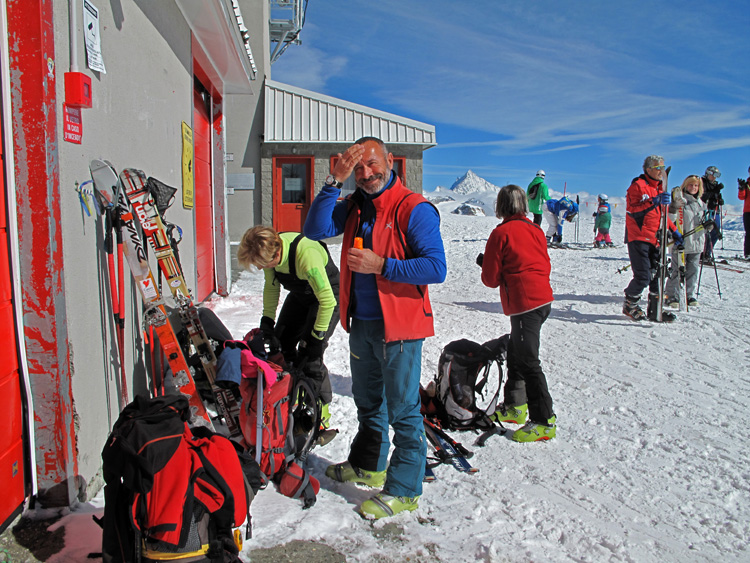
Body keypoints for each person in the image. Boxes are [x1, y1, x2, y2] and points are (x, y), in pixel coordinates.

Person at [303, 136, 447, 519]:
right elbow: (315, 230)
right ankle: (369, 463)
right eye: (358, 167)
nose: (366, 174)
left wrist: (382, 265)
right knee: (369, 403)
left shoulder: (413, 209)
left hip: (400, 327)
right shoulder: (353, 205)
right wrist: (333, 183)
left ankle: (404, 488)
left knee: (403, 409)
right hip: (363, 323)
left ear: (390, 161)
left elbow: (436, 267)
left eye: (372, 164)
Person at [236, 226, 339, 431]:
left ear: (276, 254)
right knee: (281, 344)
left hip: (327, 297)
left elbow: (327, 301)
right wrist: (267, 321)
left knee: (310, 356)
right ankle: (291, 395)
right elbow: (271, 287)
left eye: (261, 264)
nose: (259, 268)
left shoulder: (305, 255)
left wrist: (316, 337)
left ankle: (320, 409)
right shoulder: (268, 252)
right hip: (301, 294)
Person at [477, 184, 555, 442]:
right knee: (516, 351)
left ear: (501, 206)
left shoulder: (501, 233)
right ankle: (516, 405)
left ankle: (544, 420)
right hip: (542, 300)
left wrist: (488, 266)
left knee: (528, 360)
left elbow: (490, 278)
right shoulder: (535, 229)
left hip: (525, 303)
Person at [622, 155, 682, 322]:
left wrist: (674, 230)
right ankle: (630, 303)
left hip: (656, 237)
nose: (660, 171)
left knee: (658, 274)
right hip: (639, 236)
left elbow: (662, 214)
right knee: (643, 276)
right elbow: (632, 211)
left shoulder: (660, 188)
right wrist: (653, 201)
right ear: (648, 169)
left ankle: (655, 310)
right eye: (657, 168)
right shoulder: (638, 186)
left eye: (662, 168)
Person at [664, 176, 706, 308]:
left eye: (696, 185)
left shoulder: (700, 203)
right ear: (685, 186)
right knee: (677, 270)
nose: (693, 188)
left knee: (693, 270)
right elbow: (671, 219)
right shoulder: (680, 200)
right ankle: (671, 295)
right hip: (681, 242)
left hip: (697, 242)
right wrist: (673, 208)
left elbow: (700, 222)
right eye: (691, 185)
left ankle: (689, 294)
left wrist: (707, 227)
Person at [701, 165, 724, 258]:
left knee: (716, 231)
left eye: (717, 175)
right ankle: (703, 252)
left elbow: (716, 195)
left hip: (715, 210)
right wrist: (715, 190)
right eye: (713, 174)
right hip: (706, 210)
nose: (714, 177)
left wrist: (720, 199)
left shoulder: (715, 185)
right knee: (706, 232)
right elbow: (703, 196)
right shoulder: (702, 183)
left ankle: (708, 252)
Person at [738, 167, 750, 259]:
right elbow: (741, 197)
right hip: (748, 211)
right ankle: (748, 253)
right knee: (749, 233)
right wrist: (741, 188)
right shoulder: (746, 184)